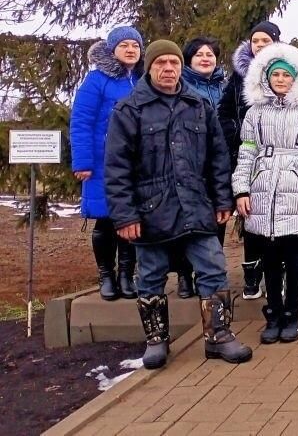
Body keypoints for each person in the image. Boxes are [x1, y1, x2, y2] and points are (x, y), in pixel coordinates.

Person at [104, 40, 251, 369]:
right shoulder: (130, 109)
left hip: (196, 205)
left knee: (214, 269)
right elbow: (116, 168)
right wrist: (125, 215)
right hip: (150, 209)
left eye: (173, 63)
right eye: (161, 63)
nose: (168, 69)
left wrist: (222, 198)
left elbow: (217, 157)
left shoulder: (198, 105)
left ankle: (219, 336)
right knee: (152, 276)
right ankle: (157, 340)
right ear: (150, 67)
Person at [232, 43, 298, 344]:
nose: (280, 80)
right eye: (275, 74)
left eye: (286, 76)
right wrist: (241, 189)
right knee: (270, 259)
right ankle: (273, 313)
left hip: (297, 190)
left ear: (296, 79)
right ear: (266, 77)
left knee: (295, 257)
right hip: (263, 190)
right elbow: (246, 152)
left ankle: (293, 313)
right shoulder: (255, 113)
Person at [70, 26, 143, 301]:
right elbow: (81, 122)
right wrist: (83, 161)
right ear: (112, 49)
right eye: (124, 45)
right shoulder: (96, 81)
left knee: (132, 219)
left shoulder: (140, 80)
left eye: (134, 46)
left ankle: (126, 274)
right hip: (102, 164)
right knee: (105, 221)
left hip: (134, 163)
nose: (130, 50)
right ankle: (106, 275)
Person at [218, 20, 281, 300]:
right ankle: (252, 275)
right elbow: (225, 112)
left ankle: (276, 273)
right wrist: (239, 134)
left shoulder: (284, 72)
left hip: (279, 156)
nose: (259, 46)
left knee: (277, 215)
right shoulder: (238, 76)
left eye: (265, 41)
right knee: (251, 215)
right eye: (255, 41)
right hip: (247, 154)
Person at [172, 35, 227, 299]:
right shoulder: (180, 87)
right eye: (199, 55)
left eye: (210, 54)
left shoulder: (224, 87)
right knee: (187, 220)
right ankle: (184, 275)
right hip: (189, 162)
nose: (206, 59)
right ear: (189, 60)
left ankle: (212, 273)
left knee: (219, 216)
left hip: (218, 160)